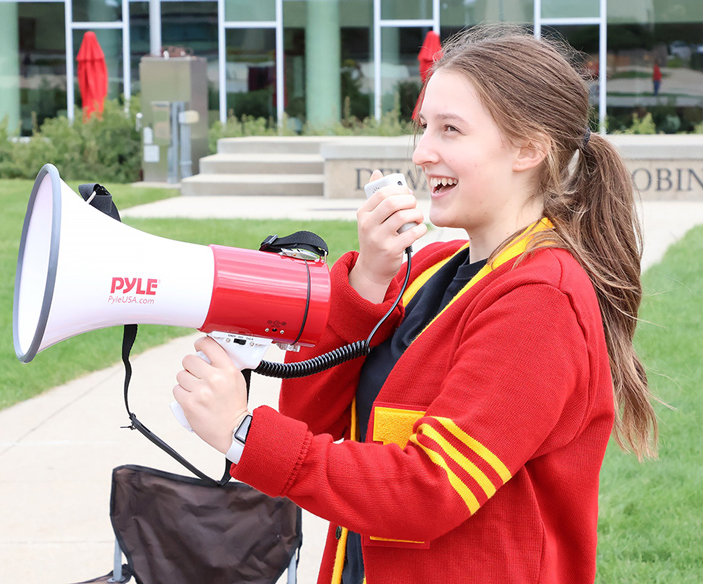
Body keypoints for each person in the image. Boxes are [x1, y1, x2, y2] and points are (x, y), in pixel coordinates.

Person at [173, 24, 659, 584]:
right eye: (424, 126)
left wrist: (242, 432)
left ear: (529, 148)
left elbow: (428, 489)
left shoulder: (541, 300)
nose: (423, 152)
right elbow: (316, 424)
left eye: (451, 130)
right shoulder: (431, 268)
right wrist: (367, 284)